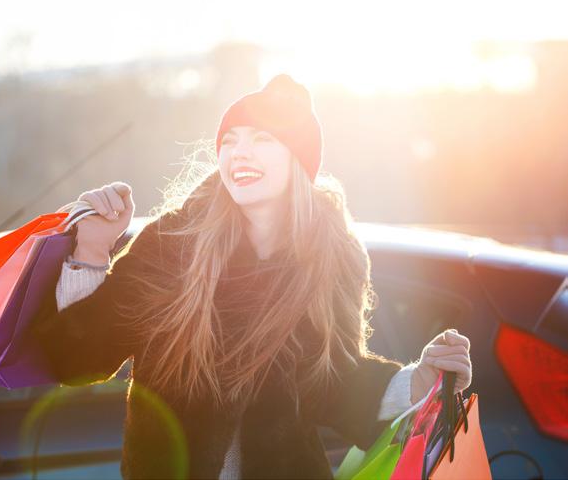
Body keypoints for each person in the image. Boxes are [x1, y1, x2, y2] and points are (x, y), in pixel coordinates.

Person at [31, 74, 472, 479]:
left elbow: (331, 382)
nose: (240, 152)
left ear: (297, 159)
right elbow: (78, 360)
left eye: (262, 139)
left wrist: (419, 381)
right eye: (230, 140)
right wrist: (92, 248)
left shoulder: (332, 257)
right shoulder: (173, 244)